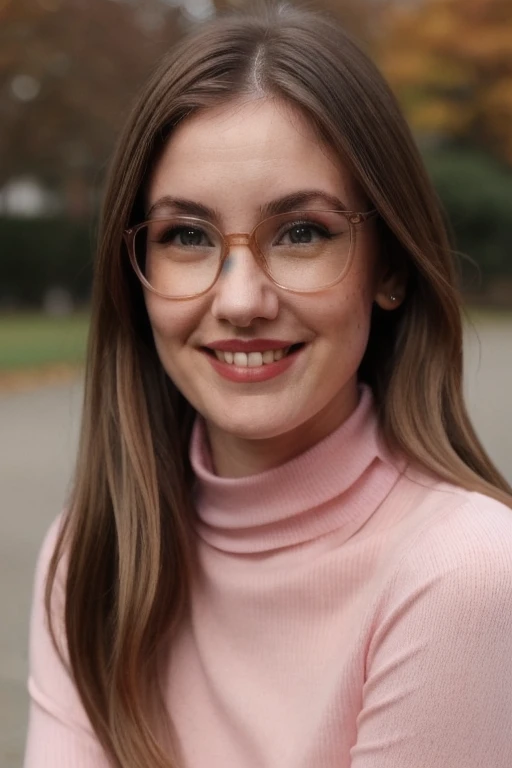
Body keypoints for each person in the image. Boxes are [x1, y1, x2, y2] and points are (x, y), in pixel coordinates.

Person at [24, 3, 512, 767]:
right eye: (187, 236)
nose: (242, 300)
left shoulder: (466, 574)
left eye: (301, 232)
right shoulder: (92, 555)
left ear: (388, 266)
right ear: (136, 275)